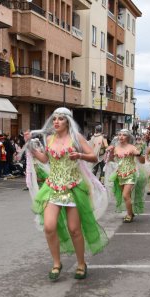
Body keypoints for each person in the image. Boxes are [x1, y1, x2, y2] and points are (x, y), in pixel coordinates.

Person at [24, 107, 108, 281]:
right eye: (54, 119)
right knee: (49, 226)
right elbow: (46, 159)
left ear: (67, 121)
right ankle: (56, 263)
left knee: (74, 229)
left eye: (60, 119)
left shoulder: (76, 138)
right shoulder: (49, 138)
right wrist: (30, 147)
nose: (56, 122)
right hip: (53, 186)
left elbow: (93, 156)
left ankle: (81, 263)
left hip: (73, 186)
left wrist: (79, 155)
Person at [105, 129, 147, 223]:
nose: (121, 137)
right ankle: (131, 212)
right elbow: (109, 160)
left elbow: (143, 161)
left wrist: (139, 154)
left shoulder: (132, 147)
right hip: (120, 174)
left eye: (123, 135)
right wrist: (109, 153)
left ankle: (129, 215)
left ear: (128, 137)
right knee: (125, 196)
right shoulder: (115, 147)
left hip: (131, 174)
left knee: (125, 195)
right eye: (119, 135)